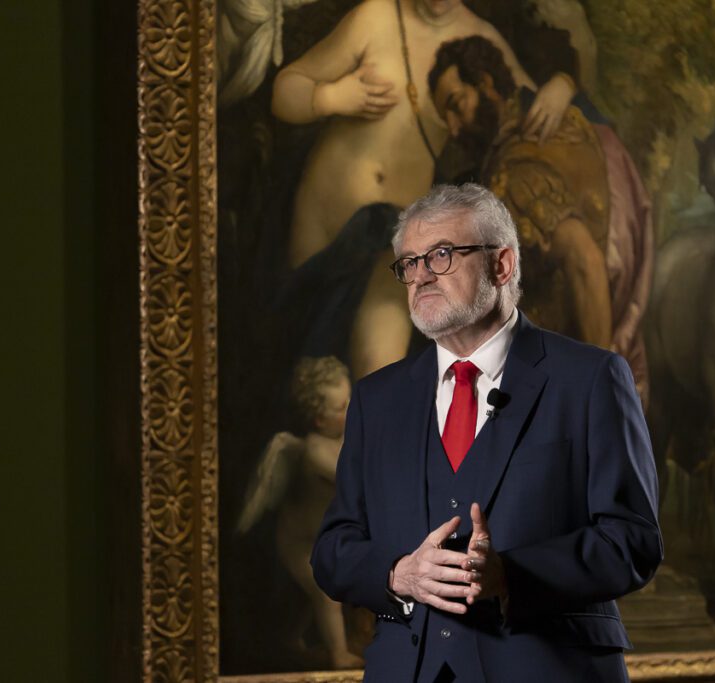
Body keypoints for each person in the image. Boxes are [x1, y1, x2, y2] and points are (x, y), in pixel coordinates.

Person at [312, 184, 662, 681]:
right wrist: (399, 573)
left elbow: (633, 541)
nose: (420, 275)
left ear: (502, 265)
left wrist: (510, 575)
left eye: (441, 255)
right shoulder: (377, 399)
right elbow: (333, 549)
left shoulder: (591, 379)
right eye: (409, 263)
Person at [270, 0, 578, 378]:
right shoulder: (376, 16)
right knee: (306, 375)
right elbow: (283, 93)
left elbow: (523, 116)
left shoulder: (481, 39)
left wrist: (562, 86)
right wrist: (331, 97)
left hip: (394, 250)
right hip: (323, 234)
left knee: (378, 368)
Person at [426, 35, 654, 398]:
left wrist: (599, 388)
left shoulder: (515, 171)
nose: (453, 129)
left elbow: (583, 260)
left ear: (485, 83)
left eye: (457, 105)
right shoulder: (564, 122)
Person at [237, 356, 362, 668]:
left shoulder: (343, 437)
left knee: (309, 599)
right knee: (325, 593)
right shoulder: (314, 450)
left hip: (325, 539)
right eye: (342, 407)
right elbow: (352, 478)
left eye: (350, 399)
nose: (351, 409)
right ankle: (339, 656)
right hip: (301, 544)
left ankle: (291, 640)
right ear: (319, 420)